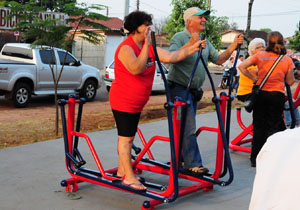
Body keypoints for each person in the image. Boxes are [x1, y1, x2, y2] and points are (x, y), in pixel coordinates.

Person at [109, 10, 205, 191]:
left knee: (128, 137)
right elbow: (136, 68)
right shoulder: (126, 48)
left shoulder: (149, 47)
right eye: (145, 24)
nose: (148, 27)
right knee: (126, 139)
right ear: (136, 27)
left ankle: (123, 170)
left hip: (137, 102)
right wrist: (147, 45)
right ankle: (128, 178)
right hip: (123, 100)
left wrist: (193, 47)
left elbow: (171, 57)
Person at [167, 7, 244, 176]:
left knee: (184, 126)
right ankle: (193, 163)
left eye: (204, 18)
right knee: (187, 126)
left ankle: (181, 158)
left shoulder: (205, 40)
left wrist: (232, 46)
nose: (204, 20)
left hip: (193, 90)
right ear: (189, 21)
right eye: (200, 17)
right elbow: (171, 57)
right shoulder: (179, 37)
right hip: (179, 88)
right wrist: (191, 45)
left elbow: (218, 60)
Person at [238, 31, 295, 167]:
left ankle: (255, 158)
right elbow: (290, 81)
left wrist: (254, 79)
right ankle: (271, 158)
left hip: (261, 94)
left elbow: (241, 66)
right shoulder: (287, 59)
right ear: (282, 43)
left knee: (258, 126)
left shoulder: (260, 56)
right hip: (277, 95)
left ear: (268, 42)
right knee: (273, 126)